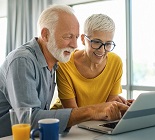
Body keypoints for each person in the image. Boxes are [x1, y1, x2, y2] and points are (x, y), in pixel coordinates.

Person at [0, 5, 129, 138]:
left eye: (76, 37)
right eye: (68, 37)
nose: (75, 45)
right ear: (45, 34)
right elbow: (30, 120)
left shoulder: (54, 62)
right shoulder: (23, 61)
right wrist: (93, 110)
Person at [54, 13, 133, 109]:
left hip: (96, 122)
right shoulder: (64, 63)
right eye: (96, 42)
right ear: (83, 39)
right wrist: (107, 108)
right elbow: (72, 114)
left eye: (108, 44)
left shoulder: (115, 62)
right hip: (64, 122)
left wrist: (125, 107)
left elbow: (109, 109)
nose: (102, 50)